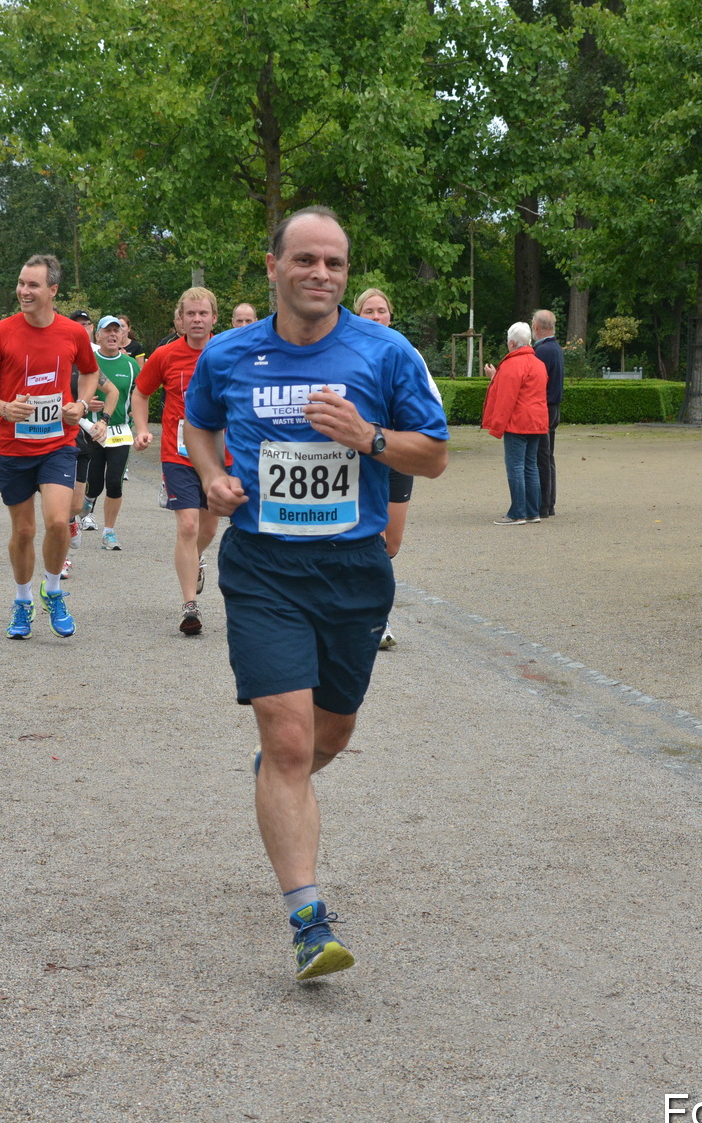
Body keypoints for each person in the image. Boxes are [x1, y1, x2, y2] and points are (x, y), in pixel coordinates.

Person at [182, 205, 449, 981]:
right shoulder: (229, 354)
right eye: (305, 260)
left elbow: (432, 456)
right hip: (264, 566)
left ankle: (276, 784)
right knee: (290, 739)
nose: (321, 275)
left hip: (353, 569)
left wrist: (366, 437)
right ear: (273, 267)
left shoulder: (387, 352)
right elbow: (197, 427)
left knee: (325, 737)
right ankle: (308, 920)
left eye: (334, 262)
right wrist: (210, 475)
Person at [0, 255, 98, 640]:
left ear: (52, 290)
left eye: (33, 285)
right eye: (21, 283)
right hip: (12, 447)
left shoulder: (72, 333)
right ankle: (22, 601)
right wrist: (2, 407)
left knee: (59, 521)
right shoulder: (1, 333)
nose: (24, 291)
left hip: (58, 443)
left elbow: (90, 372)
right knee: (24, 531)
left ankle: (53, 590)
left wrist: (79, 402)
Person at [134, 286, 223, 634]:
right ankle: (190, 607)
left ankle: (196, 559)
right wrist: (142, 428)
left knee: (209, 527)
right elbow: (141, 393)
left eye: (203, 313)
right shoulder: (165, 355)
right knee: (187, 525)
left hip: (218, 455)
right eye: (191, 314)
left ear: (214, 318)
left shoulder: (227, 351)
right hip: (178, 453)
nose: (197, 319)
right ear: (181, 319)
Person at [354, 288, 417, 649]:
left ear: (390, 316)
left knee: (389, 544)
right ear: (357, 316)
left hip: (396, 454)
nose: (376, 317)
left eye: (381, 311)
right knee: (366, 538)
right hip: (359, 460)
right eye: (368, 311)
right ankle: (378, 617)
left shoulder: (404, 352)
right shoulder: (344, 354)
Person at [481, 322, 549, 524]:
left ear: (511, 342)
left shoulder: (511, 364)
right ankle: (532, 511)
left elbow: (505, 399)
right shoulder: (539, 363)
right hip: (536, 421)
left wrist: (497, 426)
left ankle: (517, 513)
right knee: (531, 466)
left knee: (516, 467)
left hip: (517, 422)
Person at [89, 315, 138, 549]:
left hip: (119, 431)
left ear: (122, 335)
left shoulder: (131, 365)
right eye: (106, 331)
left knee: (115, 482)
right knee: (93, 484)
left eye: (116, 331)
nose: (112, 335)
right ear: (97, 335)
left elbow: (141, 396)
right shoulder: (88, 361)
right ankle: (85, 506)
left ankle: (109, 531)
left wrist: (139, 424)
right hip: (90, 430)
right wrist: (86, 403)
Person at [530, 309, 563, 518]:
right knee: (547, 456)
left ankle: (543, 505)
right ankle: (549, 503)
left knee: (541, 456)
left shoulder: (542, 351)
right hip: (553, 407)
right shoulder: (555, 348)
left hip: (544, 407)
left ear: (536, 327)